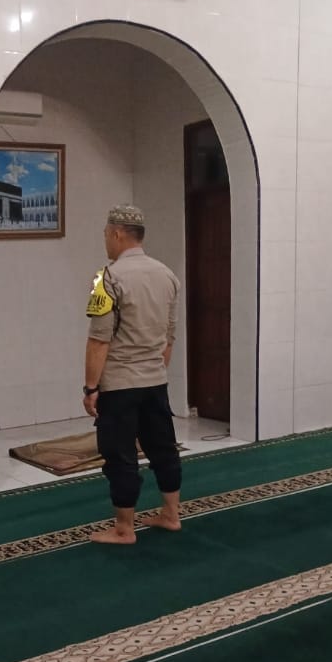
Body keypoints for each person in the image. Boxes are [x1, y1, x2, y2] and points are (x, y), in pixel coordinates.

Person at [83, 204, 182, 544]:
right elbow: (169, 336)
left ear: (117, 233)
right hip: (155, 380)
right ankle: (171, 514)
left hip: (120, 384)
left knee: (120, 455)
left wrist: (91, 387)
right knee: (163, 448)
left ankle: (124, 529)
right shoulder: (167, 275)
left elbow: (99, 340)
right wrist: (154, 370)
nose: (105, 241)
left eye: (105, 235)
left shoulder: (106, 279)